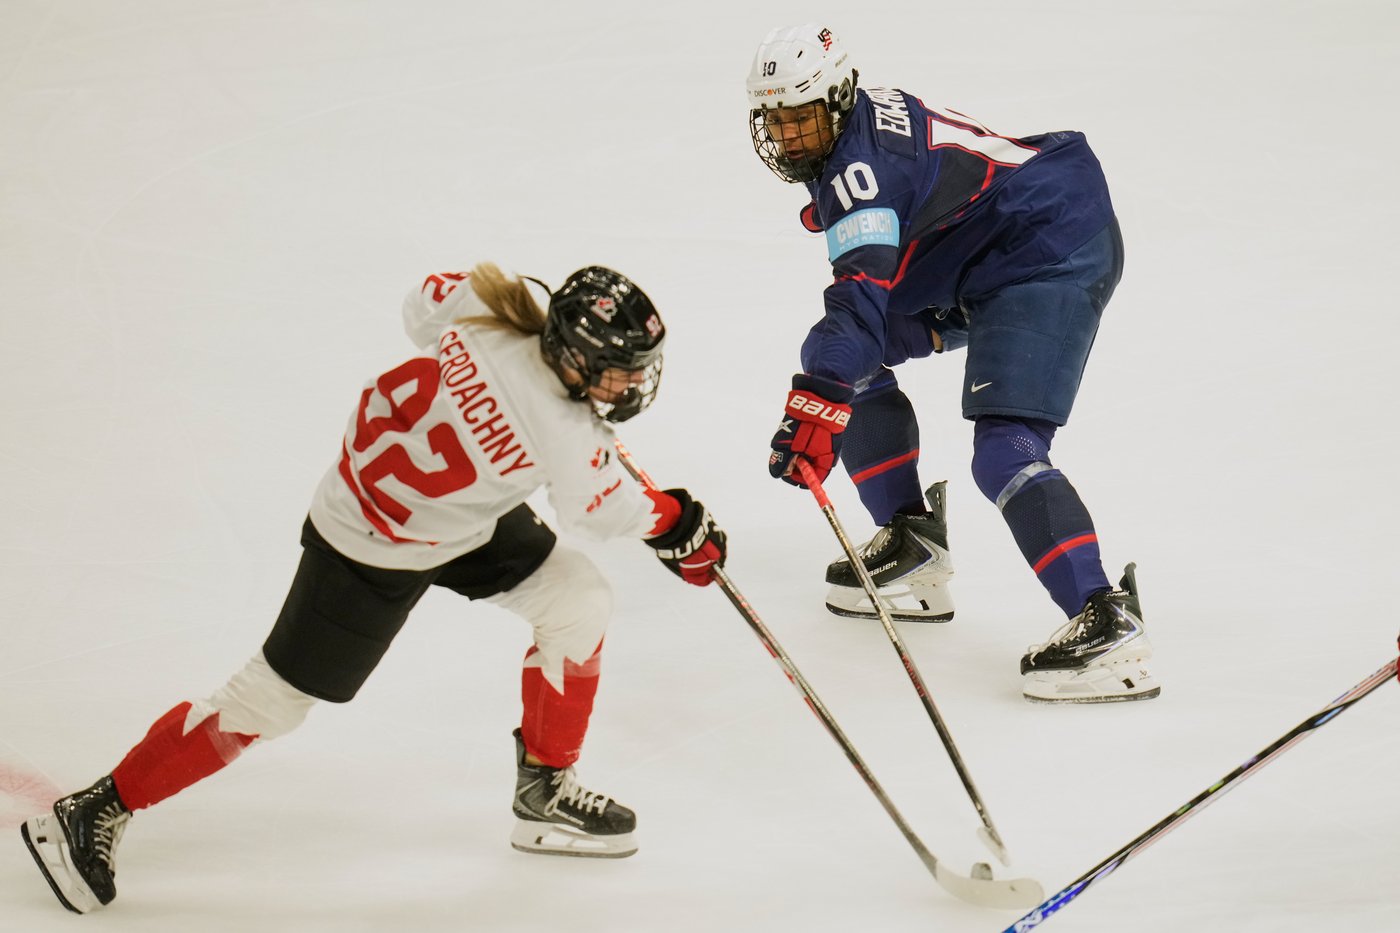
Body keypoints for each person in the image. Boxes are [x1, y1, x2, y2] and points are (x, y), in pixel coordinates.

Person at [20, 263, 728, 914]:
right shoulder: (567, 434)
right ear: (573, 357)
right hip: (368, 549)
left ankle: (543, 791)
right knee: (270, 701)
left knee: (579, 600)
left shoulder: (486, 308)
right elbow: (601, 510)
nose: (628, 385)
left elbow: (420, 304)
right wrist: (679, 523)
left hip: (442, 510)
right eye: (618, 371)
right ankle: (94, 809)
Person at [745, 24, 1157, 704]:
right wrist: (826, 383)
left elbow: (858, 303)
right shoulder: (859, 127)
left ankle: (1106, 619)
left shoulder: (860, 177)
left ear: (838, 99)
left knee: (1004, 450)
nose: (789, 137)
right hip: (989, 253)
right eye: (776, 120)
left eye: (802, 117)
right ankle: (912, 542)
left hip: (1047, 249)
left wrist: (817, 401)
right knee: (843, 355)